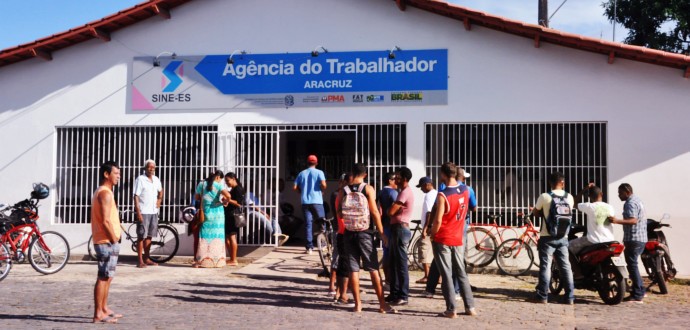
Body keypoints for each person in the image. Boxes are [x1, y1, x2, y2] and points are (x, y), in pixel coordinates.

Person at [337, 163, 393, 313]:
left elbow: (339, 212)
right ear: (365, 175)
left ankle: (358, 305)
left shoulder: (344, 190)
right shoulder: (367, 188)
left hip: (349, 232)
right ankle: (382, 304)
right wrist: (382, 232)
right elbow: (374, 211)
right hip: (365, 232)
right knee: (373, 268)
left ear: (352, 173)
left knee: (353, 270)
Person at [429, 162, 476, 318]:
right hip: (458, 236)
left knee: (447, 274)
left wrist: (432, 234)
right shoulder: (465, 190)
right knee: (461, 272)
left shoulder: (443, 195)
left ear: (443, 174)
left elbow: (437, 220)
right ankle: (470, 307)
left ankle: (451, 309)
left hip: (443, 237)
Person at [530, 172, 575, 304]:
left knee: (545, 266)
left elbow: (537, 213)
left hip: (546, 237)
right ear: (563, 183)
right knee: (566, 267)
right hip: (563, 237)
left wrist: (536, 210)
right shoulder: (569, 197)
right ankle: (570, 297)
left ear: (550, 183)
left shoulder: (545, 196)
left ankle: (542, 296)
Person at [91, 161, 123, 324]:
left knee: (108, 277)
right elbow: (104, 221)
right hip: (105, 241)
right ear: (106, 174)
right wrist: (113, 238)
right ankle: (98, 313)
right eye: (116, 173)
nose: (118, 176)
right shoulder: (105, 193)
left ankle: (104, 308)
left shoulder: (106, 192)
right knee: (103, 277)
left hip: (108, 240)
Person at [609, 183, 647, 304]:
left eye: (620, 192)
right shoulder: (638, 200)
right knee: (633, 265)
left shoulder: (630, 203)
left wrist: (616, 221)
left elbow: (633, 220)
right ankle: (640, 290)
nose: (618, 195)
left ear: (627, 191)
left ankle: (637, 294)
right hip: (641, 238)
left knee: (632, 266)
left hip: (634, 238)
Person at [385, 167, 414, 306]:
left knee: (401, 264)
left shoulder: (404, 193)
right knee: (394, 262)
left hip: (400, 229)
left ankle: (403, 295)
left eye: (398, 177)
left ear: (404, 179)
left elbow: (390, 212)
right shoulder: (401, 192)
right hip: (396, 228)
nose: (395, 179)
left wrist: (391, 209)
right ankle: (394, 293)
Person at [194, 170, 231, 268]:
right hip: (218, 214)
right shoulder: (218, 185)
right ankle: (218, 261)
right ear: (218, 177)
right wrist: (224, 202)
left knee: (204, 236)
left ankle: (203, 261)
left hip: (206, 213)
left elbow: (196, 197)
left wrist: (205, 197)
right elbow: (228, 195)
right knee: (218, 236)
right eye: (220, 180)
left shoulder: (201, 184)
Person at [133, 159, 163, 268]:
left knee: (149, 236)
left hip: (153, 212)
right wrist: (138, 212)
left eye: (153, 167)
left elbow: (161, 190)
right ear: (145, 168)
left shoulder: (156, 179)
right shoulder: (140, 179)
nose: (152, 169)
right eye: (150, 167)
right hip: (144, 212)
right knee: (141, 236)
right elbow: (136, 196)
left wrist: (159, 200)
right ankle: (140, 260)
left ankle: (147, 258)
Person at [293, 155, 327, 254]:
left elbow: (294, 187)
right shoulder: (319, 172)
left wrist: (301, 191)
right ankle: (323, 245)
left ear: (307, 163)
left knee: (308, 224)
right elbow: (324, 185)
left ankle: (309, 248)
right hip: (317, 201)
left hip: (305, 202)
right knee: (322, 223)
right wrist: (321, 190)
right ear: (316, 163)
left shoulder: (301, 173)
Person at [328, 173, 352, 306]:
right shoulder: (338, 195)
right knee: (338, 261)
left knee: (341, 261)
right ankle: (335, 288)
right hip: (340, 230)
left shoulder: (342, 195)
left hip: (342, 230)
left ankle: (339, 291)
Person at [376, 172, 398, 285]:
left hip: (383, 224)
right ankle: (391, 279)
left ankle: (387, 279)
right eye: (395, 179)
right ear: (390, 180)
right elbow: (398, 207)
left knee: (386, 252)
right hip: (392, 224)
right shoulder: (392, 192)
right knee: (391, 253)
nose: (397, 181)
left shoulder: (380, 192)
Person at [416, 177, 436, 284]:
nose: (421, 189)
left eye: (422, 186)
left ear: (428, 184)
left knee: (424, 250)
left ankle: (427, 276)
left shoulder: (429, 196)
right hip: (433, 227)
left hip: (429, 228)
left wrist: (425, 228)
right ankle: (434, 276)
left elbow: (429, 212)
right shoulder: (436, 194)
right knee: (433, 253)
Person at [223, 172, 244, 266]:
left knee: (232, 237)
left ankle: (234, 260)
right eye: (225, 181)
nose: (227, 183)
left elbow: (239, 203)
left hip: (232, 216)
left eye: (228, 181)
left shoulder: (238, 189)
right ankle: (231, 258)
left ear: (233, 179)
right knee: (227, 237)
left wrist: (228, 199)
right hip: (229, 215)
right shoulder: (233, 189)